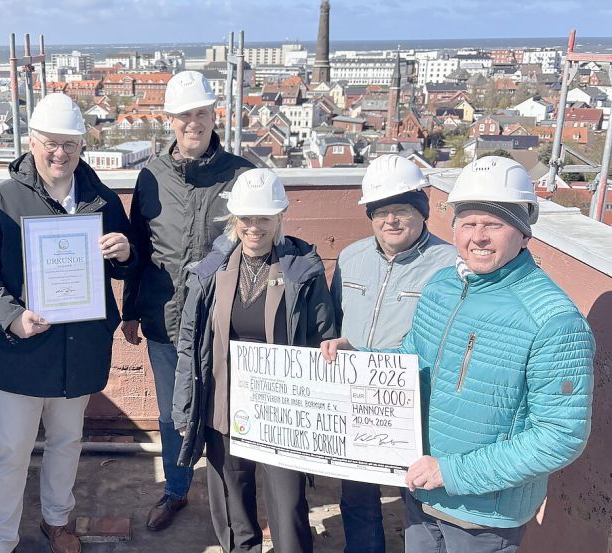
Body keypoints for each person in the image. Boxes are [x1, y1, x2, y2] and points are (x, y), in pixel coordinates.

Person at [323, 156, 594, 553]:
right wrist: (359, 358)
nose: (478, 237)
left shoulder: (553, 321)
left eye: (494, 224)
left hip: (483, 514)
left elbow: (560, 435)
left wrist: (452, 472)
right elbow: (414, 358)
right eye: (468, 224)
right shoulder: (444, 284)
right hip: (422, 491)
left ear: (523, 232)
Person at [0, 93, 137, 553]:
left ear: (82, 147)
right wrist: (11, 316)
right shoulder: (1, 200)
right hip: (19, 350)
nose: (60, 154)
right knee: (11, 453)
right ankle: (0, 541)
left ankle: (57, 521)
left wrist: (125, 252)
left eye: (71, 145)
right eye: (50, 143)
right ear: (32, 143)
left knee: (67, 440)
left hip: (78, 349)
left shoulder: (100, 199)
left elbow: (125, 265)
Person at [172, 168, 336, 553]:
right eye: (246, 218)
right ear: (234, 219)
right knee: (231, 498)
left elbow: (323, 337)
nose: (254, 227)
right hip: (224, 403)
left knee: (288, 501)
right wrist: (184, 406)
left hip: (282, 408)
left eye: (264, 217)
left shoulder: (303, 271)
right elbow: (189, 342)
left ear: (280, 218)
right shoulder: (212, 271)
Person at [121, 70, 254, 531]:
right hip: (164, 320)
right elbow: (139, 246)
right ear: (169, 120)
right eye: (183, 116)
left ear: (213, 115)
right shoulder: (151, 176)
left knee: (230, 413)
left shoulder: (242, 175)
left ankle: (238, 501)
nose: (192, 124)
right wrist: (130, 309)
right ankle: (176, 490)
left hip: (223, 325)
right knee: (171, 413)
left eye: (200, 114)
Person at [329, 155, 456, 553]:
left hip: (419, 402)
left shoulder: (450, 265)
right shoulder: (351, 258)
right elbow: (337, 318)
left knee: (416, 496)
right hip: (357, 397)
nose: (391, 221)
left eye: (401, 210)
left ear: (421, 212)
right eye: (381, 212)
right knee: (357, 491)